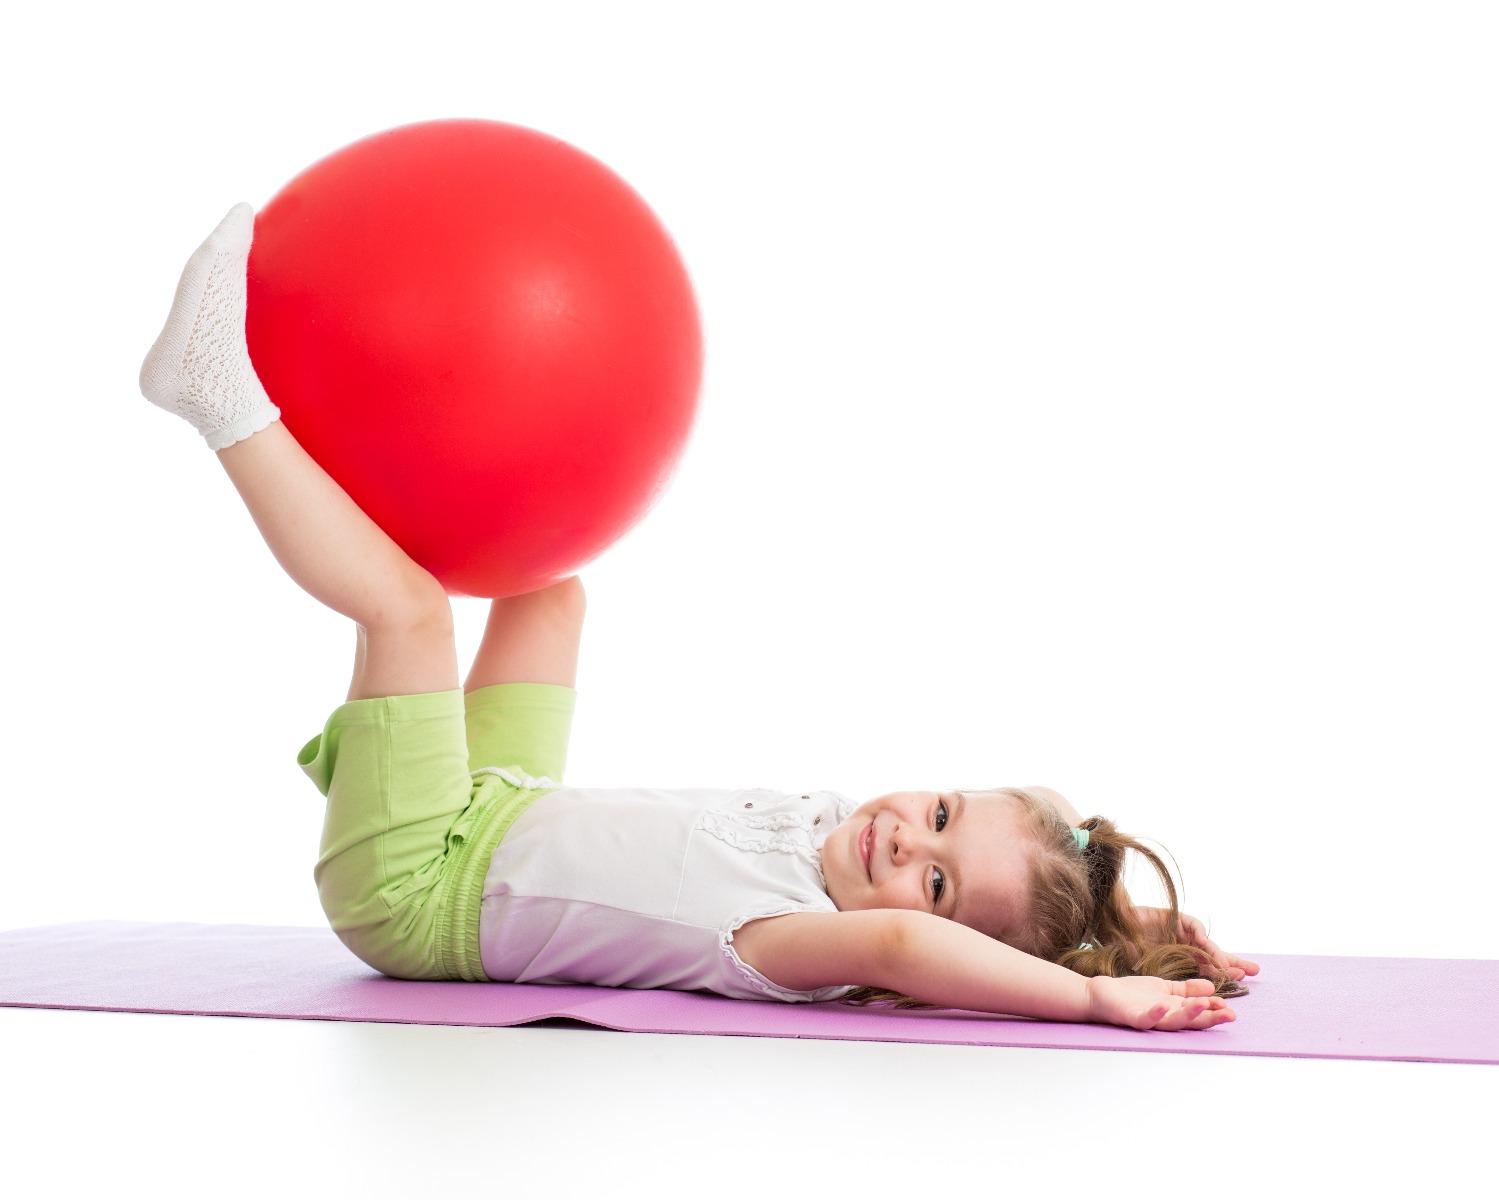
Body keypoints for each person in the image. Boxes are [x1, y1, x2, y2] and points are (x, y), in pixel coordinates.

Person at [140, 205, 1258, 1034]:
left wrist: (1087, 997)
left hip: (422, 893)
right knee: (548, 585)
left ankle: (218, 398)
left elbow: (906, 947)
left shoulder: (790, 943)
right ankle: (338, 470)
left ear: (911, 955)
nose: (904, 839)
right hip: (496, 809)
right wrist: (1150, 937)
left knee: (413, 616)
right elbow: (1037, 884)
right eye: (939, 811)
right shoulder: (834, 826)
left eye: (932, 881)